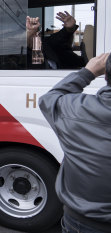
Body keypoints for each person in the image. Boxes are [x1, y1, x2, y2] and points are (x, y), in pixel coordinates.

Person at [39, 53, 111, 233]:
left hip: (82, 221)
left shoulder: (76, 108)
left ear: (106, 75)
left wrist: (88, 72)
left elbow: (49, 99)